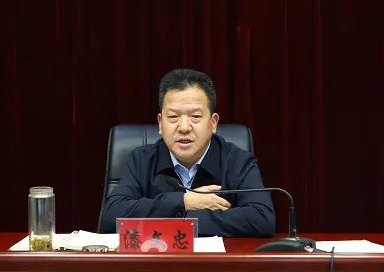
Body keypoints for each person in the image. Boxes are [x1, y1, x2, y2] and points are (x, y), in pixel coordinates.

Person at [99, 68, 275, 237]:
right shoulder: (142, 160)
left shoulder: (237, 160)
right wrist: (184, 201)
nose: (184, 127)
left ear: (213, 123)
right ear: (160, 123)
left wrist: (181, 218)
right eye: (173, 117)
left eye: (195, 116)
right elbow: (111, 216)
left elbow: (262, 218)